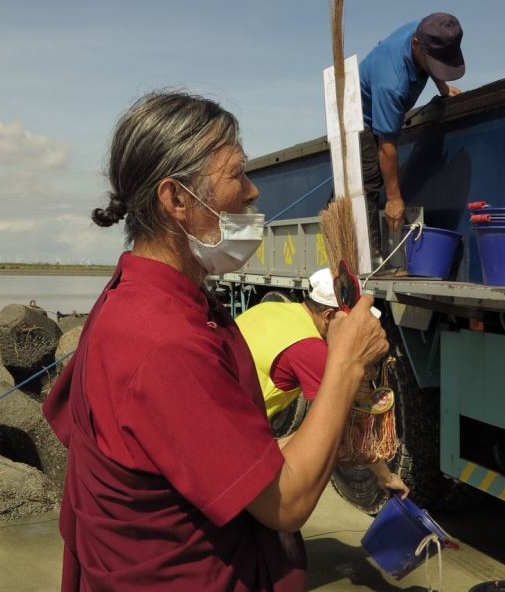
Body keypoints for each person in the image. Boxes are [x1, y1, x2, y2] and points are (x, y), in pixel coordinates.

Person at [43, 91, 390, 591]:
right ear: (176, 199)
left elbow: (224, 455)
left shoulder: (147, 297)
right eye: (237, 174)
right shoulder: (160, 339)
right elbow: (286, 503)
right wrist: (346, 363)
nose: (253, 192)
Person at [236, 268, 409, 499]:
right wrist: (386, 477)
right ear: (328, 316)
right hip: (234, 441)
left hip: (217, 412)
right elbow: (347, 426)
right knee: (324, 434)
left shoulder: (271, 308)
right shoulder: (310, 350)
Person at [359, 13, 465, 259]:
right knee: (370, 179)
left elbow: (435, 56)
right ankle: (370, 255)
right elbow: (387, 145)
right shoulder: (391, 83)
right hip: (361, 114)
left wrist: (443, 87)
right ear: (416, 44)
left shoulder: (430, 30)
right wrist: (394, 198)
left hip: (385, 91)